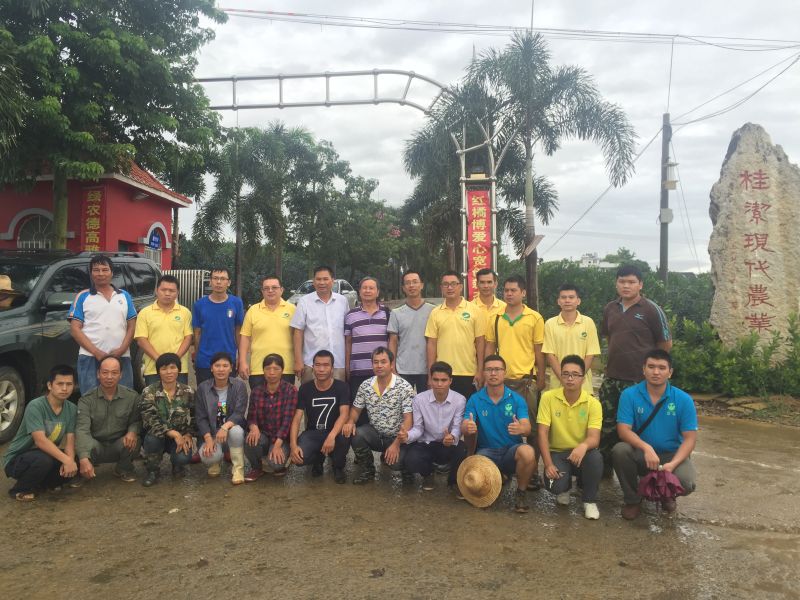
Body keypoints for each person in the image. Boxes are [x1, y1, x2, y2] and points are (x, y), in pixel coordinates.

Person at [600, 265, 672, 472]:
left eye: (631, 282)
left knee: (639, 426)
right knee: (607, 425)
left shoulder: (651, 310)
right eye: (622, 281)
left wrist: (652, 370)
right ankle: (605, 469)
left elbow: (665, 344)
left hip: (639, 381)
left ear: (640, 284)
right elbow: (609, 337)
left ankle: (642, 471)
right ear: (616, 284)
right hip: (612, 378)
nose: (626, 286)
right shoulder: (610, 308)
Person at [613, 349, 697, 520]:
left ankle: (667, 494)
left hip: (671, 455)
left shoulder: (683, 399)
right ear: (643, 369)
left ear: (670, 372)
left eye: (662, 368)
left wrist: (672, 464)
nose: (656, 372)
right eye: (651, 367)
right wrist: (646, 448)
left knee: (687, 482)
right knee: (620, 450)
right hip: (641, 454)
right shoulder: (629, 395)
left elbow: (690, 439)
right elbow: (623, 430)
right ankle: (633, 499)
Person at [484, 275, 545, 489]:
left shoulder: (535, 318)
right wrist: (486, 373)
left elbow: (539, 351)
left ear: (523, 293)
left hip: (526, 381)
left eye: (513, 290)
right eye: (506, 290)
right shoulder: (496, 318)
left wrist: (541, 377)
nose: (509, 294)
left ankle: (531, 472)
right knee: (501, 426)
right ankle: (504, 469)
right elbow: (490, 347)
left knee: (532, 429)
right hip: (501, 381)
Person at [462, 355, 535, 513]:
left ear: (504, 372)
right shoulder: (475, 399)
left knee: (528, 452)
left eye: (497, 369)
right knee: (479, 476)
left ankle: (521, 492)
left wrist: (521, 428)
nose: (493, 373)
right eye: (489, 369)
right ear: (483, 373)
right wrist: (468, 426)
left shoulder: (517, 399)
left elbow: (527, 427)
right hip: (486, 452)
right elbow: (465, 424)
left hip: (511, 451)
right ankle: (499, 478)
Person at [537, 355, 603, 520]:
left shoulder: (593, 404)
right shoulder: (548, 398)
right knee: (555, 485)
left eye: (575, 374)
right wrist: (548, 464)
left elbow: (594, 438)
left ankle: (589, 500)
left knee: (596, 458)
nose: (570, 378)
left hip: (583, 455)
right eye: (565, 374)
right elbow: (542, 433)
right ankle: (564, 488)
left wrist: (583, 446)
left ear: (583, 378)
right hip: (558, 453)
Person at [3, 365, 78, 501]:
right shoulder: (36, 405)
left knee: (76, 460)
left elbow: (70, 441)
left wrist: (70, 461)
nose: (64, 388)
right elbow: (40, 441)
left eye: (69, 384)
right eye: (60, 384)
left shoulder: (71, 409)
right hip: (17, 459)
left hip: (44, 455)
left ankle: (43, 485)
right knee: (44, 460)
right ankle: (19, 490)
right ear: (50, 385)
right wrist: (66, 459)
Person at [343, 347, 414, 485]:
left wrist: (396, 444)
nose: (379, 365)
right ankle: (368, 471)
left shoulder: (404, 387)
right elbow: (356, 410)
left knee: (396, 463)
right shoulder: (366, 385)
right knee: (356, 434)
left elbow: (408, 419)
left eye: (383, 362)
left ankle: (407, 471)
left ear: (391, 364)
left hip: (397, 437)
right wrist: (350, 421)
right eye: (376, 362)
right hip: (375, 433)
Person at [69, 254, 136, 394]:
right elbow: (75, 329)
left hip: (121, 357)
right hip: (90, 357)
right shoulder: (83, 296)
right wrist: (96, 352)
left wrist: (122, 349)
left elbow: (132, 326)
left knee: (124, 397)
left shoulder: (124, 296)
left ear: (112, 272)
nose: (100, 273)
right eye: (96, 270)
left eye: (105, 270)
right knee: (91, 398)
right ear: (91, 273)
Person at [75, 355, 141, 484]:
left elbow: (136, 420)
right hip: (95, 445)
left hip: (118, 444)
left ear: (121, 375)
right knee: (82, 443)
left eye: (114, 373)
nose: (109, 377)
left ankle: (123, 468)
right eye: (105, 372)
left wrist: (132, 431)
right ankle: (83, 471)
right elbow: (82, 430)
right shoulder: (86, 400)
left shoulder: (132, 397)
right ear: (98, 374)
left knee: (134, 440)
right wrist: (83, 458)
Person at [401, 361, 466, 491]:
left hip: (447, 443)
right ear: (430, 380)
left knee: (462, 450)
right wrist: (408, 435)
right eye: (435, 380)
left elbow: (457, 426)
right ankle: (428, 474)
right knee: (410, 460)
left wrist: (452, 437)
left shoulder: (460, 400)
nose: (439, 384)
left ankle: (454, 481)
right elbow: (418, 428)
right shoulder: (419, 399)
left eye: (443, 380)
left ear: (450, 381)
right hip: (427, 443)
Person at [289, 350, 351, 484]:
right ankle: (318, 459)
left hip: (334, 432)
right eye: (317, 365)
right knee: (299, 459)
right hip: (313, 432)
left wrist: (331, 436)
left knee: (345, 435)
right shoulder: (305, 388)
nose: (321, 369)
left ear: (332, 368)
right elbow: (297, 418)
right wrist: (293, 446)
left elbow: (344, 414)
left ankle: (338, 466)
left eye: (326, 365)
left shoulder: (342, 387)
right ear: (312, 367)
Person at [425, 270, 486, 399]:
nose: (450, 287)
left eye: (453, 284)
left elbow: (480, 342)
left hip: (468, 372)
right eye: (445, 284)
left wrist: (480, 370)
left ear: (461, 286)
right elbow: (431, 344)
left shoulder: (475, 310)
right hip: (442, 374)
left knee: (468, 409)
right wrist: (431, 375)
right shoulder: (435, 313)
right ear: (441, 288)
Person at [139, 353, 196, 487]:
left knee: (183, 457)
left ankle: (177, 465)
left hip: (180, 437)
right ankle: (153, 470)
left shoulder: (188, 391)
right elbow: (149, 419)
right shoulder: (149, 391)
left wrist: (189, 434)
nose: (169, 372)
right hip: (157, 435)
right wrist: (172, 433)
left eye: (172, 367)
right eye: (164, 368)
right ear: (158, 371)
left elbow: (196, 417)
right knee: (152, 440)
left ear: (178, 370)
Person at [195, 352, 249, 485]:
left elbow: (239, 412)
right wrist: (208, 439)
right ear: (211, 368)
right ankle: (216, 461)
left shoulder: (239, 386)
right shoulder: (203, 388)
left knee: (237, 431)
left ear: (231, 368)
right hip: (212, 432)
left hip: (230, 429)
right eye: (217, 365)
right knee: (209, 457)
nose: (221, 369)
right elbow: (200, 417)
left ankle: (238, 468)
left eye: (225, 366)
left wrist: (225, 427)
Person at [291, 265, 349, 383]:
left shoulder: (342, 301)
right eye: (318, 279)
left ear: (332, 281)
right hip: (311, 364)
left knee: (339, 393)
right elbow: (298, 332)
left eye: (325, 279)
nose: (322, 282)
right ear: (313, 281)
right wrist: (298, 360)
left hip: (338, 363)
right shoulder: (304, 302)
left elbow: (347, 332)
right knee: (310, 394)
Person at [244, 354, 298, 481]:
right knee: (250, 440)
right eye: (268, 368)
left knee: (276, 464)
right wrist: (253, 427)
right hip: (264, 435)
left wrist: (278, 445)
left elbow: (287, 421)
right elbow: (251, 416)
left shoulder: (291, 390)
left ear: (282, 370)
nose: (272, 372)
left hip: (282, 438)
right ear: (263, 370)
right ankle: (256, 468)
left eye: (276, 369)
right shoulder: (256, 391)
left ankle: (280, 461)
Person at [134, 274, 193, 386]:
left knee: (180, 396)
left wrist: (175, 360)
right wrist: (159, 360)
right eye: (163, 290)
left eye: (172, 291)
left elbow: (188, 338)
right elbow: (141, 340)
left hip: (178, 368)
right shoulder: (145, 313)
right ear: (157, 290)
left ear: (177, 292)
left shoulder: (185, 312)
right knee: (154, 397)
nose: (167, 293)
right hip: (153, 368)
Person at [542, 284, 600, 395]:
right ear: (558, 301)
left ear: (578, 301)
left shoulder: (588, 323)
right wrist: (564, 378)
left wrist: (577, 378)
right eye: (563, 297)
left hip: (583, 387)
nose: (567, 300)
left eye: (571, 297)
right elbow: (550, 355)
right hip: (557, 386)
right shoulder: (550, 324)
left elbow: (590, 355)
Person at [239, 275, 296, 388]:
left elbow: (298, 337)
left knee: (286, 400)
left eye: (274, 287)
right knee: (259, 399)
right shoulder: (253, 310)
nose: (270, 291)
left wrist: (299, 361)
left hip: (286, 368)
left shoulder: (293, 310)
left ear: (281, 290)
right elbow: (245, 337)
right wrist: (242, 361)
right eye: (266, 288)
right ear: (262, 291)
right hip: (259, 369)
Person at [192, 267, 245, 385]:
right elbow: (197, 333)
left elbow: (238, 332)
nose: (219, 282)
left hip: (228, 361)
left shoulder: (236, 303)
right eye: (215, 278)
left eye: (222, 279)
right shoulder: (199, 305)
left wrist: (241, 358)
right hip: (205, 361)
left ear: (229, 282)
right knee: (205, 394)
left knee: (225, 395)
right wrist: (197, 357)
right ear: (210, 281)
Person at [388, 270, 435, 393]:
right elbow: (393, 341)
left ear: (422, 285)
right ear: (403, 288)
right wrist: (392, 367)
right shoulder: (396, 312)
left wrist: (433, 371)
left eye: (415, 282)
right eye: (407, 283)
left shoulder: (433, 311)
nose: (411, 285)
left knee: (427, 403)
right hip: (403, 369)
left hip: (427, 369)